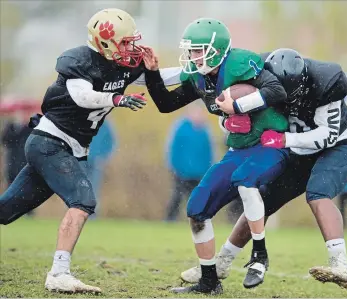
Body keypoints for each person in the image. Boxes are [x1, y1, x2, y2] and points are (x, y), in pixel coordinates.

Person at [0, 8, 181, 294]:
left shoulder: (121, 66)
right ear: (104, 42)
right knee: (83, 200)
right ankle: (59, 272)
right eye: (124, 42)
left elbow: (159, 79)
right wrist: (116, 99)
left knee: (6, 210)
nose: (130, 48)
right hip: (50, 142)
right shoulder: (79, 61)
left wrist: (197, 71)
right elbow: (81, 95)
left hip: (68, 147)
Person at [180, 48, 347, 291]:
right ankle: (222, 263)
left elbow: (327, 136)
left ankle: (340, 265)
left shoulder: (325, 83)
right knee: (261, 202)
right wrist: (228, 120)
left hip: (342, 144)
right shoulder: (259, 71)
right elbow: (229, 109)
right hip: (299, 147)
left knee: (318, 193)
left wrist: (283, 140)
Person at [142, 18, 291, 294]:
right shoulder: (199, 76)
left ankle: (260, 254)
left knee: (246, 180)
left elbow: (276, 90)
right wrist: (152, 74)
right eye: (191, 50)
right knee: (197, 206)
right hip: (238, 148)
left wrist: (236, 105)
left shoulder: (239, 63)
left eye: (199, 50)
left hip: (270, 145)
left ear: (218, 49)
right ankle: (209, 281)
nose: (193, 56)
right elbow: (166, 104)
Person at [165, 103, 214, 222]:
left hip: (199, 173)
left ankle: (198, 220)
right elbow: (173, 149)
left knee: (197, 199)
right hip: (181, 171)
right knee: (177, 197)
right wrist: (174, 167)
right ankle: (170, 219)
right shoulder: (180, 128)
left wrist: (208, 169)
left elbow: (209, 152)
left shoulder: (205, 131)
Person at [87, 119, 117, 218]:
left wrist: (103, 156)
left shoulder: (104, 123)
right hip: (80, 159)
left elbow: (111, 141)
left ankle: (90, 216)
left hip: (95, 161)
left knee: (93, 189)